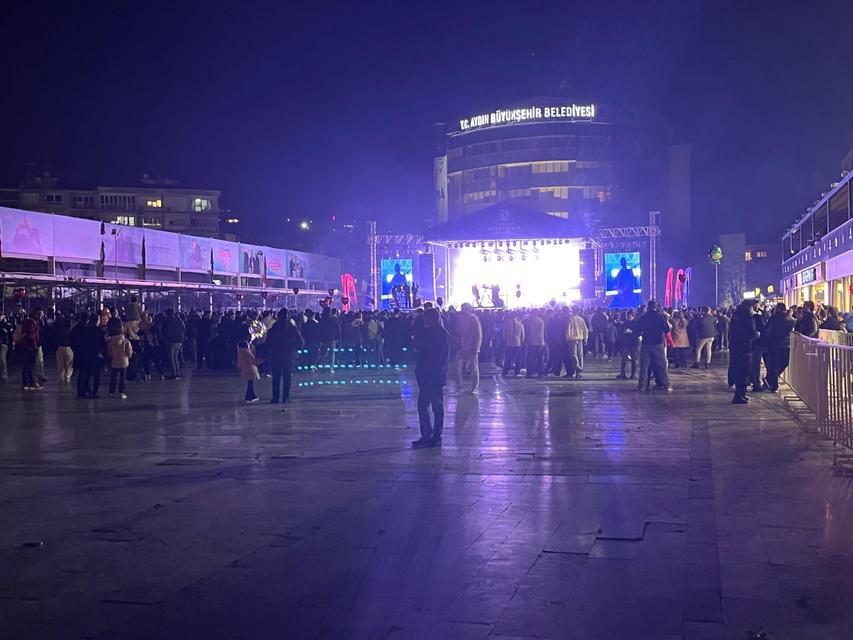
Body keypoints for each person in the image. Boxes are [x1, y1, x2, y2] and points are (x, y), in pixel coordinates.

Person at [412, 308, 450, 448]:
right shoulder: (426, 333)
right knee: (424, 406)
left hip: (434, 376)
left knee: (436, 406)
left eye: (427, 318)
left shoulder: (441, 335)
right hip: (426, 375)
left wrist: (435, 373)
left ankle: (436, 435)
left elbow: (440, 358)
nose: (425, 321)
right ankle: (427, 434)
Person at [265, 309, 304, 404]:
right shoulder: (293, 329)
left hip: (276, 355)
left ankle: (275, 397)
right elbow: (301, 343)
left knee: (276, 377)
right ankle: (285, 397)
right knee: (287, 377)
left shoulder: (273, 329)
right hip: (289, 356)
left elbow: (268, 344)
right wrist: (294, 349)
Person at [636, 300, 672, 392]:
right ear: (656, 307)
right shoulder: (660, 317)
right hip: (658, 343)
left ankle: (642, 386)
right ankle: (666, 384)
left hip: (646, 343)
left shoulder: (643, 317)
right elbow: (667, 329)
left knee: (644, 366)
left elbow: (638, 330)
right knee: (661, 364)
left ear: (648, 307)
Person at [730, 299, 759, 404]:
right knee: (744, 371)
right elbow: (751, 332)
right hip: (745, 347)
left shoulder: (736, 316)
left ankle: (741, 393)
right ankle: (739, 395)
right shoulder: (747, 317)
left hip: (736, 346)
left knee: (739, 370)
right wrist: (757, 334)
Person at [764, 303, 795, 393]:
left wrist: (767, 341)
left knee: (773, 363)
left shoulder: (773, 318)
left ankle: (771, 381)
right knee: (784, 362)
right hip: (786, 344)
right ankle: (771, 381)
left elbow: (767, 330)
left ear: (778, 309)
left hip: (774, 343)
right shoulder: (789, 318)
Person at [454, 303, 482, 394]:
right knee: (458, 366)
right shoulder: (462, 319)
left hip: (471, 347)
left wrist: (476, 347)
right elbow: (459, 332)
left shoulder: (474, 319)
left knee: (473, 368)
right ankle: (460, 386)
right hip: (463, 346)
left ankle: (474, 387)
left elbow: (478, 334)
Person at [106, 318, 133, 399]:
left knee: (113, 377)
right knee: (122, 378)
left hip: (114, 362)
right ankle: (121, 392)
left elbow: (109, 353)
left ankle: (111, 392)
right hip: (124, 362)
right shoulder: (126, 341)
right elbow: (129, 353)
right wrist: (127, 357)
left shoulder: (110, 342)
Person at [16, 316, 41, 390]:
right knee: (31, 365)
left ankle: (27, 383)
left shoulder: (27, 324)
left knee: (26, 366)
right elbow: (32, 336)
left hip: (26, 347)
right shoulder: (32, 323)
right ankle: (31, 382)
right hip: (30, 347)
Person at [564, 307, 588, 379]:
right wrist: (585, 338)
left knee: (573, 355)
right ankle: (579, 371)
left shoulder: (570, 319)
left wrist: (567, 337)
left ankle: (577, 367)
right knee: (580, 355)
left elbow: (568, 329)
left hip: (572, 339)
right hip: (580, 339)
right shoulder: (581, 319)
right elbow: (585, 329)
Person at [162, 309, 186, 379]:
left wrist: (165, 339)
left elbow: (165, 331)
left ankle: (174, 374)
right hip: (179, 341)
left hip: (171, 341)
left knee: (171, 358)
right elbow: (183, 328)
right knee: (176, 358)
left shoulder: (167, 321)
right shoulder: (178, 320)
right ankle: (177, 374)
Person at [617, 309, 640, 379]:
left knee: (634, 359)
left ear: (633, 316)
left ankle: (633, 374)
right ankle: (623, 373)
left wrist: (632, 332)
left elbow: (638, 332)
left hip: (634, 342)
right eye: (628, 316)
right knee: (624, 358)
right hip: (626, 342)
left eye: (630, 316)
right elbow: (620, 333)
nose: (629, 317)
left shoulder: (636, 323)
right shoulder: (625, 323)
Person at [53, 309, 75, 383]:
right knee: (69, 365)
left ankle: (62, 378)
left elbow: (55, 339)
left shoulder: (59, 331)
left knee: (61, 366)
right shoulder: (71, 331)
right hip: (69, 348)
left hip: (60, 347)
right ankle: (67, 378)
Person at [501, 312, 525, 376]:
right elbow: (523, 335)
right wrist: (521, 341)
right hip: (517, 343)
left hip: (509, 343)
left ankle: (505, 371)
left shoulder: (506, 324)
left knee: (507, 358)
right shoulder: (520, 324)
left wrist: (506, 341)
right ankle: (517, 372)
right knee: (517, 358)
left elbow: (504, 334)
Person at [524, 310, 546, 378]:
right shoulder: (541, 321)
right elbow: (541, 333)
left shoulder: (530, 321)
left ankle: (530, 372)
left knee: (531, 358)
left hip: (532, 342)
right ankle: (539, 372)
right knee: (539, 358)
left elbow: (529, 332)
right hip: (539, 342)